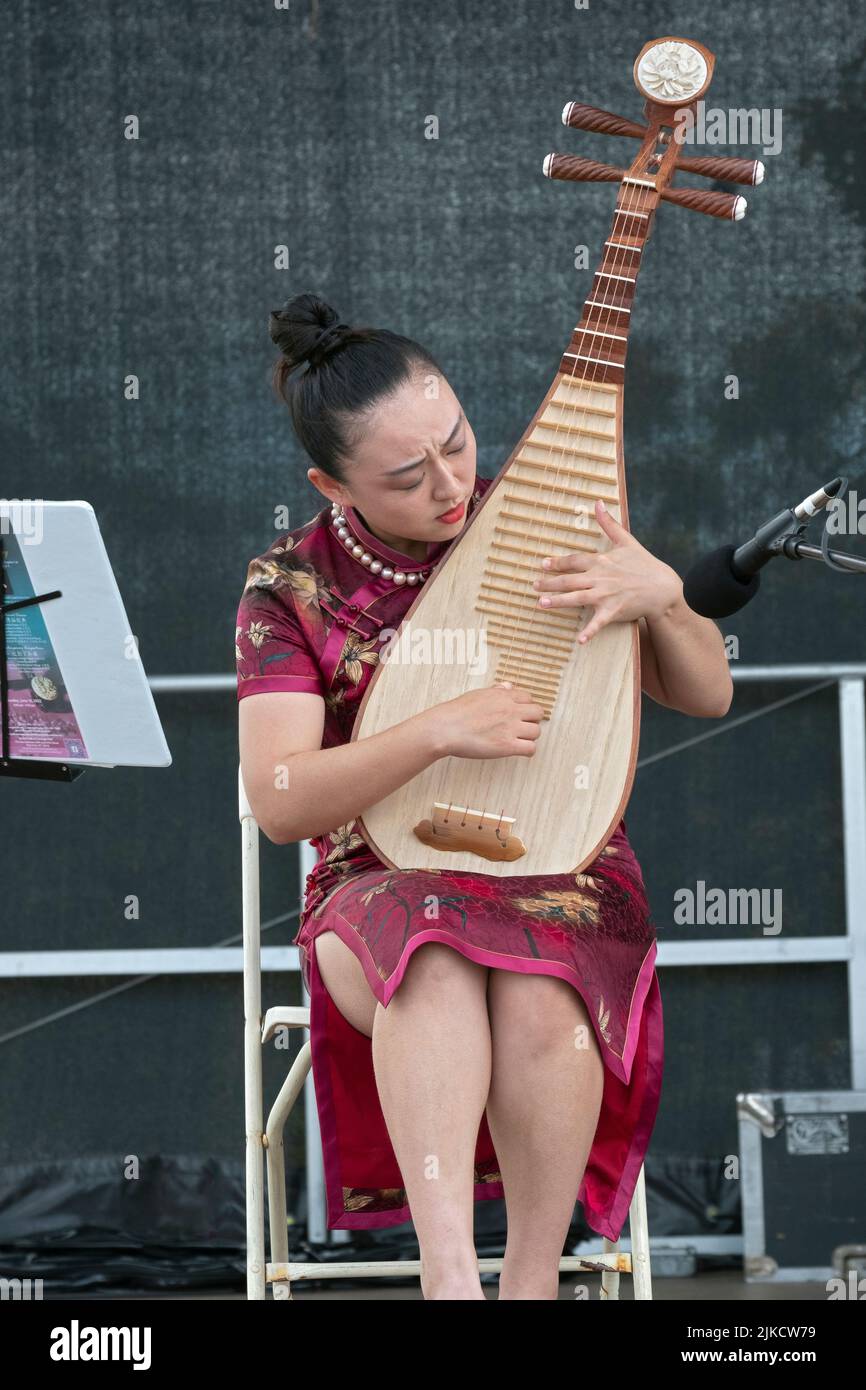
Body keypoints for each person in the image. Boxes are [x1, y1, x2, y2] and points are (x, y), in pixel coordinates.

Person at [236, 292, 733, 1301]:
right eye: (407, 478)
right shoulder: (289, 589)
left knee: (543, 977)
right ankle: (451, 1280)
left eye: (458, 446)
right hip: (378, 874)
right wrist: (432, 730)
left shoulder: (540, 524)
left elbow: (704, 692)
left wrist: (662, 597)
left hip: (560, 862)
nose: (452, 484)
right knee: (430, 953)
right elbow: (283, 802)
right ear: (330, 484)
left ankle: (534, 1282)